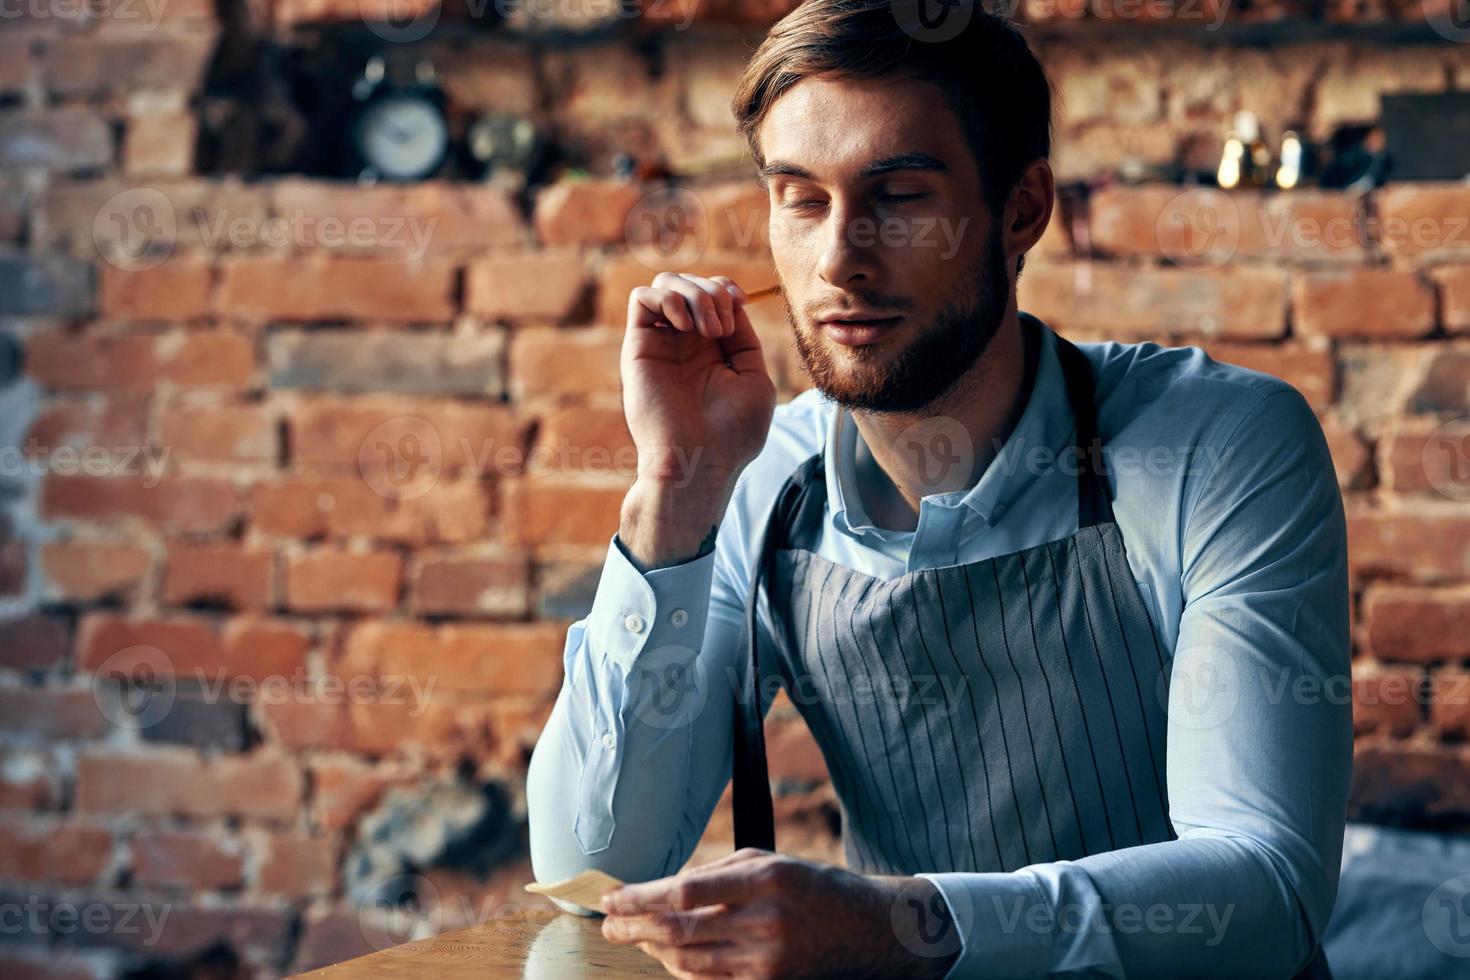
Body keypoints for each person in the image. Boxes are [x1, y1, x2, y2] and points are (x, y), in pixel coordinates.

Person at [526, 3, 1351, 977]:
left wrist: (902, 925)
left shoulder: (1216, 444)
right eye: (801, 199)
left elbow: (1268, 888)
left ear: (1021, 209)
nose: (839, 258)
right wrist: (672, 490)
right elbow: (590, 869)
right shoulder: (759, 479)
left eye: (901, 194)